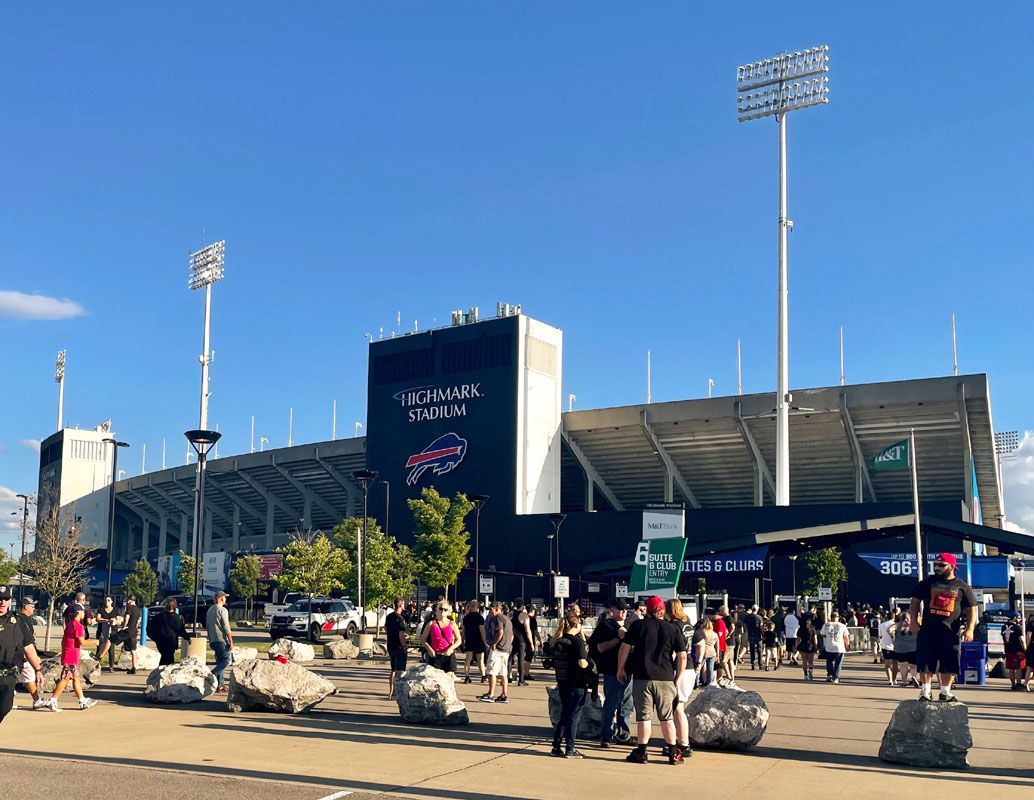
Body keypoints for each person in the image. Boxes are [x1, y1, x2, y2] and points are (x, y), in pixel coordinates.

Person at [617, 596, 689, 765]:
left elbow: (624, 648)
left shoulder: (638, 626)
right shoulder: (672, 629)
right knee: (666, 717)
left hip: (642, 677)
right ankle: (673, 752)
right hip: (665, 678)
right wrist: (677, 678)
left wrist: (620, 669)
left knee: (643, 717)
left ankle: (642, 752)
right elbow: (682, 656)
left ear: (647, 609)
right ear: (663, 609)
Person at [909, 553, 978, 702]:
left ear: (952, 567)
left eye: (941, 565)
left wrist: (970, 628)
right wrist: (913, 622)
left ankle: (945, 692)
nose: (937, 568)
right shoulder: (928, 583)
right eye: (935, 565)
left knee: (950, 661)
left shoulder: (962, 586)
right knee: (926, 661)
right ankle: (925, 691)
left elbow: (972, 608)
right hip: (928, 630)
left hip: (950, 632)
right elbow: (914, 601)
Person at [588, 599, 633, 747]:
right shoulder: (605, 625)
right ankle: (606, 735)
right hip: (612, 670)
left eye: (625, 609)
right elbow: (600, 647)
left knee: (626, 705)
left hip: (629, 671)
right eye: (620, 609)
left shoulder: (630, 625)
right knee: (611, 704)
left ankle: (623, 734)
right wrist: (618, 638)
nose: (623, 612)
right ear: (612, 610)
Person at [0, 587, 46, 722]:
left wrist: (37, 669)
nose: (2, 602)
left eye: (5, 599)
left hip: (8, 676)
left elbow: (28, 647)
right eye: (0, 599)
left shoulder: (18, 621)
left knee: (5, 707)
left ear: (10, 601)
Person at [550, 608, 590, 758]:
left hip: (562, 682)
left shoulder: (558, 641)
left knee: (565, 713)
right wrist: (590, 664)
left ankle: (556, 745)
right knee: (574, 715)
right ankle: (570, 747)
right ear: (576, 625)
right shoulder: (577, 642)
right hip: (576, 683)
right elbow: (582, 663)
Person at [49, 604, 98, 711]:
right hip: (71, 657)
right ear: (78, 613)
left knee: (76, 678)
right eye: (83, 612)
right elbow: (82, 642)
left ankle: (82, 700)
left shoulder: (70, 624)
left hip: (69, 655)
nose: (84, 614)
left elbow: (64, 640)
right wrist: (94, 641)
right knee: (65, 678)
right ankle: (53, 700)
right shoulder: (79, 626)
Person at [665, 599, 694, 760]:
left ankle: (683, 743)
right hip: (689, 667)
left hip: (679, 669)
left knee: (677, 707)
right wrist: (698, 663)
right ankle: (678, 740)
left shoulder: (674, 627)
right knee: (678, 706)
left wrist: (677, 677)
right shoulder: (688, 625)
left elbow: (678, 653)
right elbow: (700, 642)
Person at [15, 596, 48, 711]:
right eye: (32, 606)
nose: (34, 608)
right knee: (29, 675)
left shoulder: (26, 619)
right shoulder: (20, 619)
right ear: (25, 607)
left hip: (25, 653)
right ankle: (36, 700)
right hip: (22, 654)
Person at [99, 595, 142, 673]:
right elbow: (138, 621)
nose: (127, 602)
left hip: (127, 630)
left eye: (128, 600)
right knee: (133, 650)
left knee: (110, 640)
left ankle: (100, 656)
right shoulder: (138, 610)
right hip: (133, 631)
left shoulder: (129, 608)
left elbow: (126, 618)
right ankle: (133, 668)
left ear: (131, 601)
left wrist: (124, 627)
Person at [480, 602, 513, 703]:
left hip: (498, 649)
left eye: (491, 610)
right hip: (506, 649)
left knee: (492, 671)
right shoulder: (507, 619)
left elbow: (500, 631)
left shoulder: (497, 618)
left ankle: (491, 694)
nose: (490, 612)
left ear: (497, 609)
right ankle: (504, 694)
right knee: (503, 673)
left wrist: (494, 643)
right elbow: (511, 635)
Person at [420, 601, 460, 675]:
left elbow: (459, 640)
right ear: (436, 610)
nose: (443, 611)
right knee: (435, 679)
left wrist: (451, 648)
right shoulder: (431, 624)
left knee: (448, 678)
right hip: (435, 655)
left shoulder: (452, 623)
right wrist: (429, 649)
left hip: (448, 655)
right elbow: (423, 639)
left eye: (445, 610)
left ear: (448, 612)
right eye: (441, 609)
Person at [205, 591, 234, 692]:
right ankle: (211, 674)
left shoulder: (210, 610)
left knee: (220, 662)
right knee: (227, 661)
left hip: (213, 640)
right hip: (221, 639)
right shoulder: (222, 610)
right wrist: (230, 640)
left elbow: (207, 626)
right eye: (225, 598)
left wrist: (209, 638)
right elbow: (226, 626)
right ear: (221, 598)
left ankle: (220, 685)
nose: (225, 599)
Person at [386, 598, 409, 698]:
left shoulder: (389, 617)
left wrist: (391, 635)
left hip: (390, 645)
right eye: (403, 604)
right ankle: (399, 691)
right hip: (399, 646)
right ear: (400, 605)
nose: (404, 606)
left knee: (393, 670)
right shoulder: (400, 619)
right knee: (400, 671)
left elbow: (386, 628)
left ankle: (391, 691)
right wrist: (404, 646)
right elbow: (400, 634)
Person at [820, 611, 850, 683]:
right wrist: (847, 645)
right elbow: (846, 637)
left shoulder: (826, 625)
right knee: (838, 663)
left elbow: (822, 634)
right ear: (838, 618)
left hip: (829, 646)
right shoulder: (842, 626)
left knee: (829, 661)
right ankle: (836, 677)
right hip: (839, 647)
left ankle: (829, 674)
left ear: (831, 617)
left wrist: (828, 637)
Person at [460, 600, 486, 684]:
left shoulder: (466, 618)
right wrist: (485, 641)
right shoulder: (480, 618)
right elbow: (482, 630)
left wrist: (462, 640)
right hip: (478, 640)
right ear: (477, 607)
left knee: (468, 659)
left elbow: (463, 631)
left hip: (469, 640)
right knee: (480, 660)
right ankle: (483, 676)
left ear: (470, 607)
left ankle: (467, 676)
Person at [510, 599, 534, 686]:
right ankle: (521, 680)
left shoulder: (511, 614)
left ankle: (508, 677)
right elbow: (528, 630)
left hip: (512, 638)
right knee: (521, 660)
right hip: (521, 639)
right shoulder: (524, 615)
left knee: (510, 658)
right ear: (523, 606)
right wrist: (531, 643)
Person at [94, 597, 120, 672]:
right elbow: (98, 619)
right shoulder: (101, 610)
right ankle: (96, 664)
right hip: (102, 631)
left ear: (112, 602)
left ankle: (111, 667)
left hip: (112, 631)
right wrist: (107, 620)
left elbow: (118, 620)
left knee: (111, 649)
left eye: (108, 600)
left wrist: (114, 621)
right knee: (100, 647)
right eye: (105, 600)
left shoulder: (115, 610)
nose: (107, 602)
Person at [1002, 611, 1026, 690]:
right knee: (1018, 668)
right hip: (1017, 650)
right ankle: (1019, 684)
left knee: (1011, 668)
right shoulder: (1017, 627)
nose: (1019, 619)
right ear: (1015, 618)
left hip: (1008, 650)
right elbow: (1021, 640)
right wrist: (1025, 649)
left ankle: (1013, 684)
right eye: (1019, 618)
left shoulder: (1003, 627)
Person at [894, 611, 918, 687]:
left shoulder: (898, 625)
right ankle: (914, 677)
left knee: (903, 665)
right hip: (913, 648)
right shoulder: (914, 625)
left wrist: (893, 639)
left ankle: (904, 682)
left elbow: (889, 630)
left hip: (900, 648)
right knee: (913, 665)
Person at [879, 610, 899, 686]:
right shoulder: (896, 625)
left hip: (885, 645)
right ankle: (894, 679)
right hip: (895, 646)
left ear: (886, 617)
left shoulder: (881, 625)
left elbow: (880, 636)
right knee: (895, 664)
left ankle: (890, 679)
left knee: (887, 664)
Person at [696, 619, 718, 686]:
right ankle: (709, 683)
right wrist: (717, 655)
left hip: (702, 652)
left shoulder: (700, 632)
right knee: (710, 668)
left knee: (698, 667)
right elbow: (717, 645)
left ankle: (696, 683)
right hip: (712, 652)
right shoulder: (714, 633)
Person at [743, 605, 763, 669]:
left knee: (752, 649)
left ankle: (753, 664)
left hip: (750, 634)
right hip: (758, 634)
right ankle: (760, 664)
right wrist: (763, 633)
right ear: (757, 610)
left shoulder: (748, 617)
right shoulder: (759, 617)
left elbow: (745, 624)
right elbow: (761, 626)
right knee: (759, 649)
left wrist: (746, 631)